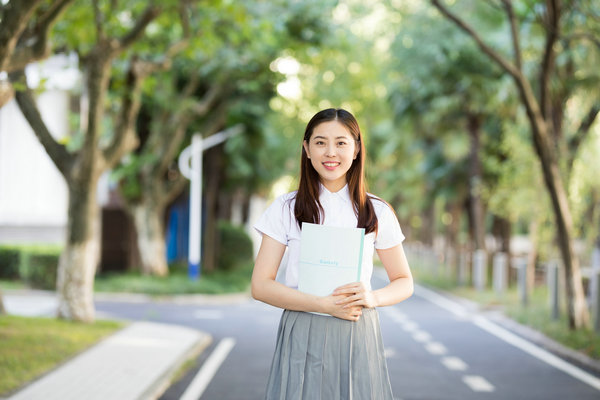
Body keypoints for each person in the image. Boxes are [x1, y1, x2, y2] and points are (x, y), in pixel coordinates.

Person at [252, 108, 414, 399]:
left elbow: (404, 280)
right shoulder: (286, 208)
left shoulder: (377, 211)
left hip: (356, 328)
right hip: (302, 327)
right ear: (306, 149)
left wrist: (372, 297)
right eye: (320, 142)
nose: (330, 152)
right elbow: (260, 285)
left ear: (356, 149)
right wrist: (323, 305)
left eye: (341, 142)